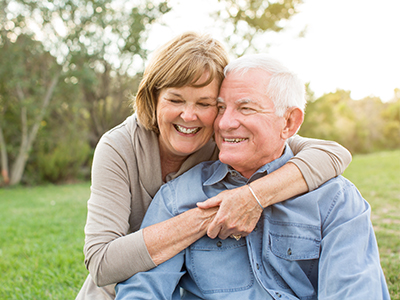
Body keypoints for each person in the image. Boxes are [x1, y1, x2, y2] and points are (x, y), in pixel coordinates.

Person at [76, 32, 352, 299]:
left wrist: (252, 197)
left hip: (188, 276)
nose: (189, 115)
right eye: (175, 99)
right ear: (154, 98)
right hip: (119, 283)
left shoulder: (227, 139)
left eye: (205, 103)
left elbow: (332, 153)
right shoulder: (119, 147)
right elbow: (102, 263)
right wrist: (217, 212)